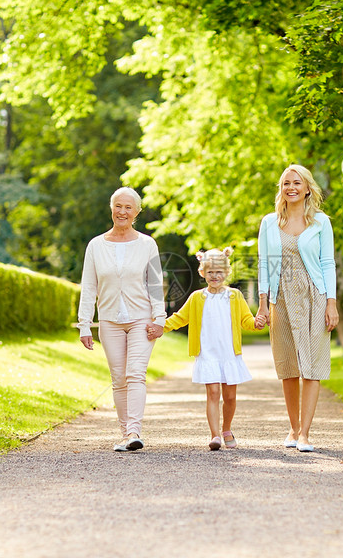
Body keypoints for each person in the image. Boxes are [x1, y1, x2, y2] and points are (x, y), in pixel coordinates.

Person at [256, 164, 339, 453]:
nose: (291, 187)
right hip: (281, 297)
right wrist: (263, 303)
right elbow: (266, 264)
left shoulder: (320, 222)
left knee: (312, 366)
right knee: (288, 366)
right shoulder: (269, 223)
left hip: (314, 296)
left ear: (306, 188)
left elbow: (328, 263)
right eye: (286, 183)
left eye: (296, 182)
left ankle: (305, 434)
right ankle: (293, 428)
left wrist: (331, 302)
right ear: (281, 189)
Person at [78, 187, 166, 452]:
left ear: (136, 212)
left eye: (128, 207)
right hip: (109, 321)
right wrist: (85, 324)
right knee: (118, 379)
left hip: (141, 319)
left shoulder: (147, 244)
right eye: (118, 206)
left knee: (135, 374)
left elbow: (155, 284)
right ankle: (125, 434)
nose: (122, 212)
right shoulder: (96, 245)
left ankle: (134, 432)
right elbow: (88, 287)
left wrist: (160, 318)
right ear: (111, 208)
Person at [155, 248, 262, 450]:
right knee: (213, 394)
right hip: (208, 354)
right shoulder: (197, 297)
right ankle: (215, 436)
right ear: (202, 272)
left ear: (227, 272)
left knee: (230, 397)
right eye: (210, 272)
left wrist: (256, 323)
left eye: (219, 272)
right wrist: (162, 326)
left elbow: (245, 320)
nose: (215, 276)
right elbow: (180, 317)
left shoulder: (235, 296)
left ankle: (226, 428)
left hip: (229, 355)